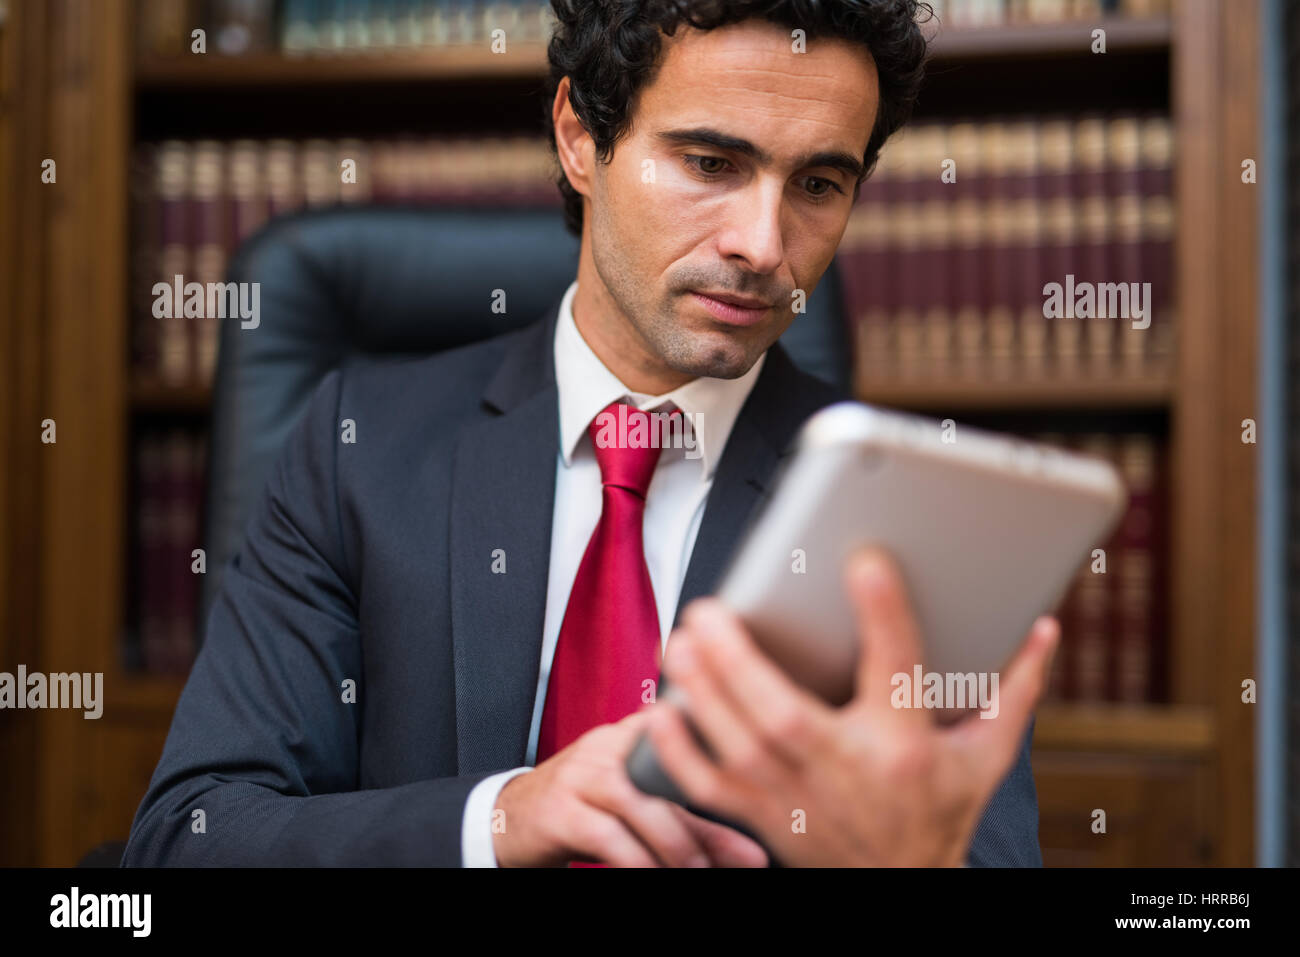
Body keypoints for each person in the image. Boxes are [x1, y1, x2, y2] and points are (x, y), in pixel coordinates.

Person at [123, 0, 1054, 868]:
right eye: (710, 163)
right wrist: (501, 817)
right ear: (579, 135)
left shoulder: (918, 517)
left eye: (817, 182)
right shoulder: (353, 446)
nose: (764, 246)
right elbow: (191, 834)